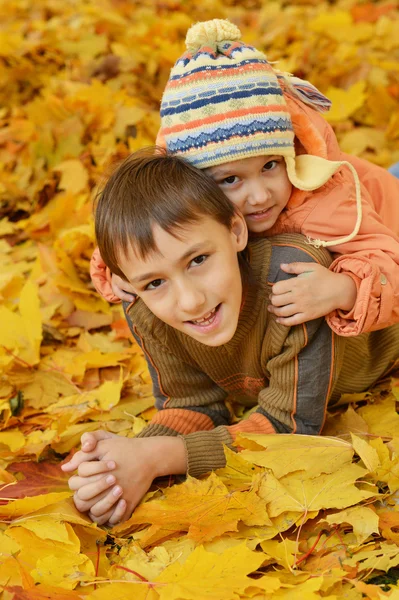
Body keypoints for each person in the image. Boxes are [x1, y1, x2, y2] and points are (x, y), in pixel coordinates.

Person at [62, 150, 399, 525]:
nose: (190, 301)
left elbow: (289, 428)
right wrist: (118, 465)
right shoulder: (142, 306)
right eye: (155, 283)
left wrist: (161, 456)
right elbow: (190, 403)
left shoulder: (294, 285)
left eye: (198, 260)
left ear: (237, 231)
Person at [90, 18, 399, 337]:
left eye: (269, 166)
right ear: (191, 185)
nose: (261, 195)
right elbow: (139, 225)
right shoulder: (188, 201)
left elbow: (392, 265)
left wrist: (344, 289)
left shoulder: (323, 200)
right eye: (230, 180)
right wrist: (119, 269)